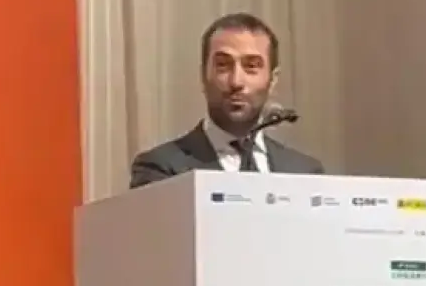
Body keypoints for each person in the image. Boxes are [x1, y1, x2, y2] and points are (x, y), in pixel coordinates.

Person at [129, 12, 325, 189]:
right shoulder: (161, 170)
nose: (236, 81)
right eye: (223, 65)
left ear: (272, 80)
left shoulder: (306, 174)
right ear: (203, 75)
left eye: (251, 67)